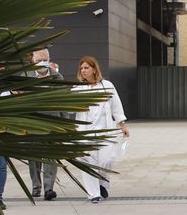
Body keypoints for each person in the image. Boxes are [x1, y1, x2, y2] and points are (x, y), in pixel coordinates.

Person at [73, 55, 129, 203]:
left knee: (107, 160)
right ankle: (93, 194)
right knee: (88, 162)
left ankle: (102, 184)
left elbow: (116, 105)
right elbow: (68, 106)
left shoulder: (107, 85)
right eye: (82, 68)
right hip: (85, 132)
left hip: (105, 131)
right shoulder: (78, 88)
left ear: (94, 69)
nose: (83, 70)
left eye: (86, 67)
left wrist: (122, 124)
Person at [27, 47, 64, 200]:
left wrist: (64, 124)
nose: (42, 63)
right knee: (34, 157)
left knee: (50, 157)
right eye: (38, 60)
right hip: (33, 124)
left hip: (52, 123)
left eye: (44, 60)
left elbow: (64, 102)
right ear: (32, 61)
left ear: (49, 60)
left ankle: (49, 188)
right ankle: (36, 186)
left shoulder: (58, 77)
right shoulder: (26, 76)